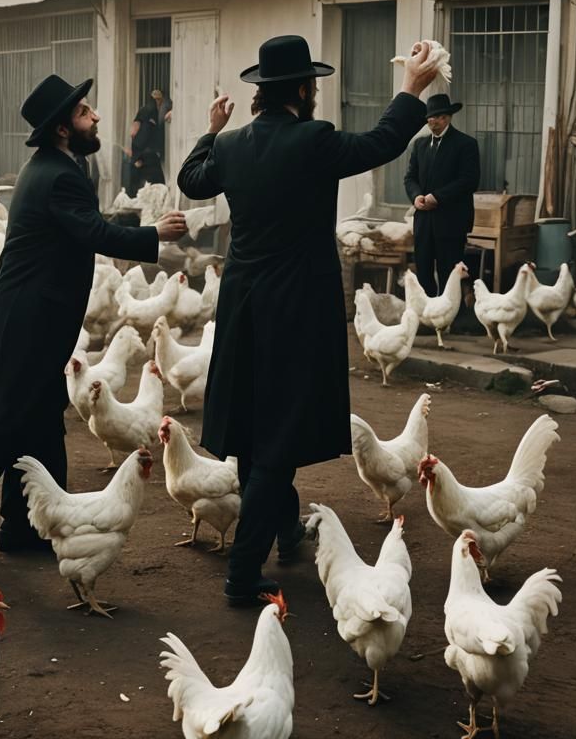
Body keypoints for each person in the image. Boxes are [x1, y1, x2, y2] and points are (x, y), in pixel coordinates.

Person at [177, 34, 438, 605]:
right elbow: (382, 142)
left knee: (256, 429)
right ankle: (243, 575)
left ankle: (286, 529)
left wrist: (210, 128)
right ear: (301, 90)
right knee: (275, 440)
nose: (315, 94)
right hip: (295, 311)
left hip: (243, 306)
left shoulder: (233, 145)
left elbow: (190, 179)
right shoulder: (314, 140)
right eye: (313, 86)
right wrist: (411, 89)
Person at [0, 74, 187, 559]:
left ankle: (22, 528)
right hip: (32, 318)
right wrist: (154, 234)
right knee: (7, 421)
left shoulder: (52, 167)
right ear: (64, 128)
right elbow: (94, 233)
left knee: (40, 421)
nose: (96, 116)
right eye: (85, 112)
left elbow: (88, 224)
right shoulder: (60, 174)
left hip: (30, 312)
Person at [403, 93, 481, 298]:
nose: (430, 120)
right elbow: (410, 177)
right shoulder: (419, 145)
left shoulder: (465, 144)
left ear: (447, 118)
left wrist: (437, 197)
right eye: (429, 117)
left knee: (450, 272)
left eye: (435, 116)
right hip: (424, 221)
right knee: (424, 271)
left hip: (451, 220)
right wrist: (417, 197)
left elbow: (469, 181)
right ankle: (428, 317)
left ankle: (451, 319)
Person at [127, 87, 172, 193]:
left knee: (147, 183)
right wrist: (137, 155)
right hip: (145, 153)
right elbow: (134, 132)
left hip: (145, 153)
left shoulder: (151, 110)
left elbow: (134, 132)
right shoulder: (149, 110)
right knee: (155, 183)